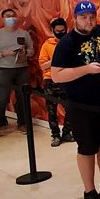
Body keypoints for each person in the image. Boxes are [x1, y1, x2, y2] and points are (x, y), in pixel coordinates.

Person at [50, 0, 100, 199]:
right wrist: (86, 70)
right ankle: (89, 191)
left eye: (92, 16)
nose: (88, 20)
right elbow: (56, 75)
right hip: (82, 104)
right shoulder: (67, 43)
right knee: (87, 148)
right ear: (74, 18)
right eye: (84, 17)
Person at [0, 8, 33, 135]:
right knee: (3, 97)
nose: (11, 18)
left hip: (22, 68)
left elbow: (31, 51)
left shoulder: (24, 34)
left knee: (22, 97)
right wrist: (3, 53)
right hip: (4, 69)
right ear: (2, 18)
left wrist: (25, 53)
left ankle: (23, 123)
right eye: (8, 16)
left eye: (13, 16)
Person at [39, 17, 74, 147]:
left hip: (67, 79)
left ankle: (66, 133)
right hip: (50, 80)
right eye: (57, 31)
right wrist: (56, 59)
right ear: (52, 31)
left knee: (70, 108)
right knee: (51, 110)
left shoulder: (70, 42)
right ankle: (55, 135)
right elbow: (42, 66)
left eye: (62, 30)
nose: (60, 33)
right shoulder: (47, 45)